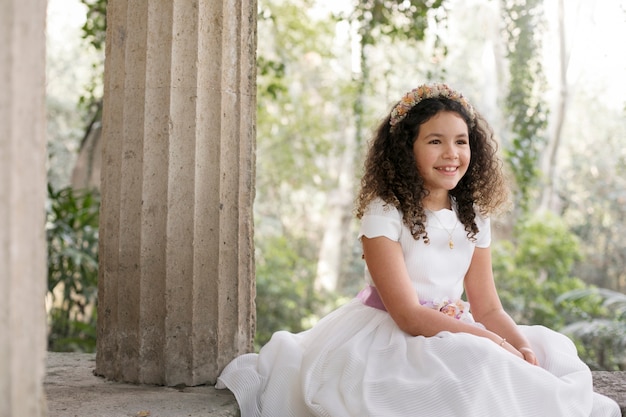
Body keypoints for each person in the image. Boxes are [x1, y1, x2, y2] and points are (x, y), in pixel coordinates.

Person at [217, 82, 621, 416]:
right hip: (393, 334)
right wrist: (489, 343)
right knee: (477, 367)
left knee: (553, 353)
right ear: (406, 149)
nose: (452, 154)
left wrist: (519, 345)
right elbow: (409, 315)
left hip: (457, 328)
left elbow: (488, 308)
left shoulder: (473, 214)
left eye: (461, 142)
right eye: (435, 141)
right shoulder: (385, 212)